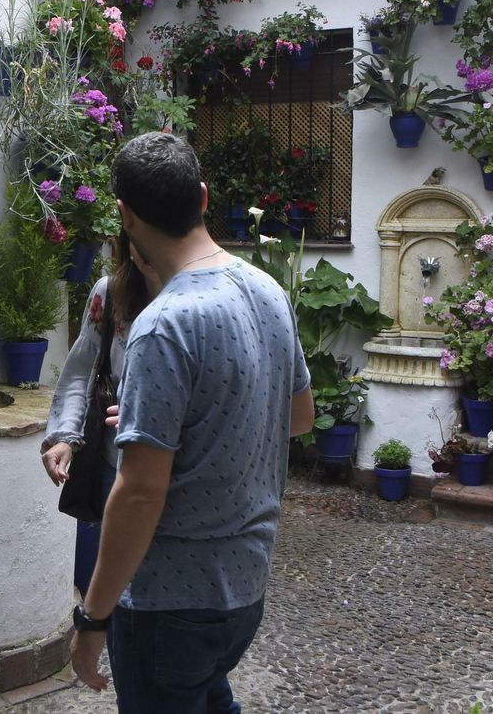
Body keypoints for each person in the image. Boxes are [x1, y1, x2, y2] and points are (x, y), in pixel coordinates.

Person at [68, 132, 314, 713]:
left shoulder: (164, 323)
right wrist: (175, 413)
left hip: (167, 603)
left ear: (125, 216)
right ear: (202, 198)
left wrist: (92, 619)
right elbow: (299, 417)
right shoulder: (267, 290)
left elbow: (139, 493)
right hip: (244, 588)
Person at [41, 233, 160, 597]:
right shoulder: (110, 294)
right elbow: (81, 368)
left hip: (176, 480)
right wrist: (65, 435)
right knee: (104, 592)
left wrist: (153, 419)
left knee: (151, 595)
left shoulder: (207, 300)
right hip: (111, 470)